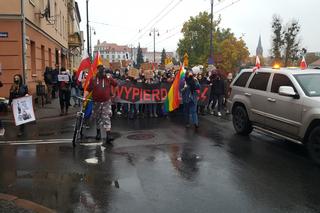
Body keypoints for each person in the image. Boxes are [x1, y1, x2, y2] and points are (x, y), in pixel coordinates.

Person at [87, 65, 118, 147]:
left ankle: (108, 135)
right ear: (98, 71)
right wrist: (84, 97)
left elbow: (116, 84)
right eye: (101, 71)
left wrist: (113, 94)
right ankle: (98, 133)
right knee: (97, 117)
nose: (102, 72)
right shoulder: (93, 79)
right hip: (96, 101)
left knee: (106, 116)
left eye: (103, 71)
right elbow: (88, 89)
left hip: (106, 101)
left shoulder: (108, 78)